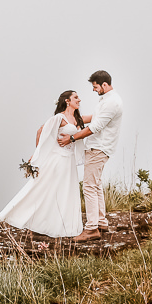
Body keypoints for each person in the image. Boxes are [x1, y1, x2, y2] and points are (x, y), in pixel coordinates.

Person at [0, 90, 86, 238]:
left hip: (69, 161)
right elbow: (40, 131)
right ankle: (25, 216)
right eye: (76, 97)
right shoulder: (60, 117)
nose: (79, 100)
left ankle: (62, 223)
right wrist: (38, 153)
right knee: (47, 188)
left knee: (65, 191)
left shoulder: (77, 119)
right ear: (67, 101)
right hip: (58, 159)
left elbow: (97, 119)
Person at [59, 70, 123, 241]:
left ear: (104, 84)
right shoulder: (108, 101)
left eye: (95, 87)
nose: (94, 90)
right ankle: (101, 222)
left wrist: (71, 138)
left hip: (98, 148)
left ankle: (91, 228)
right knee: (95, 185)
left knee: (88, 186)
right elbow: (93, 120)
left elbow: (94, 128)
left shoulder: (111, 102)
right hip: (99, 147)